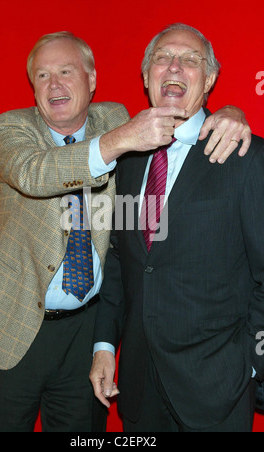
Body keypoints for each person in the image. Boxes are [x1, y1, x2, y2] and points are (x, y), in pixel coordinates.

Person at [0, 30, 252, 432]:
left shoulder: (115, 116)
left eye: (66, 71)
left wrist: (232, 114)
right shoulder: (12, 128)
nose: (55, 84)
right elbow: (37, 173)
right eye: (43, 76)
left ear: (92, 79)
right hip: (11, 324)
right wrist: (118, 142)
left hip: (88, 327)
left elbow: (185, 112)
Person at [90, 23, 264, 433]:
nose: (174, 67)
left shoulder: (246, 156)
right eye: (163, 58)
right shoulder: (128, 159)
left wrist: (250, 365)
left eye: (190, 60)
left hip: (217, 389)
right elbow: (122, 265)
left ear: (210, 79)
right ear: (147, 75)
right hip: (138, 388)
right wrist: (103, 347)